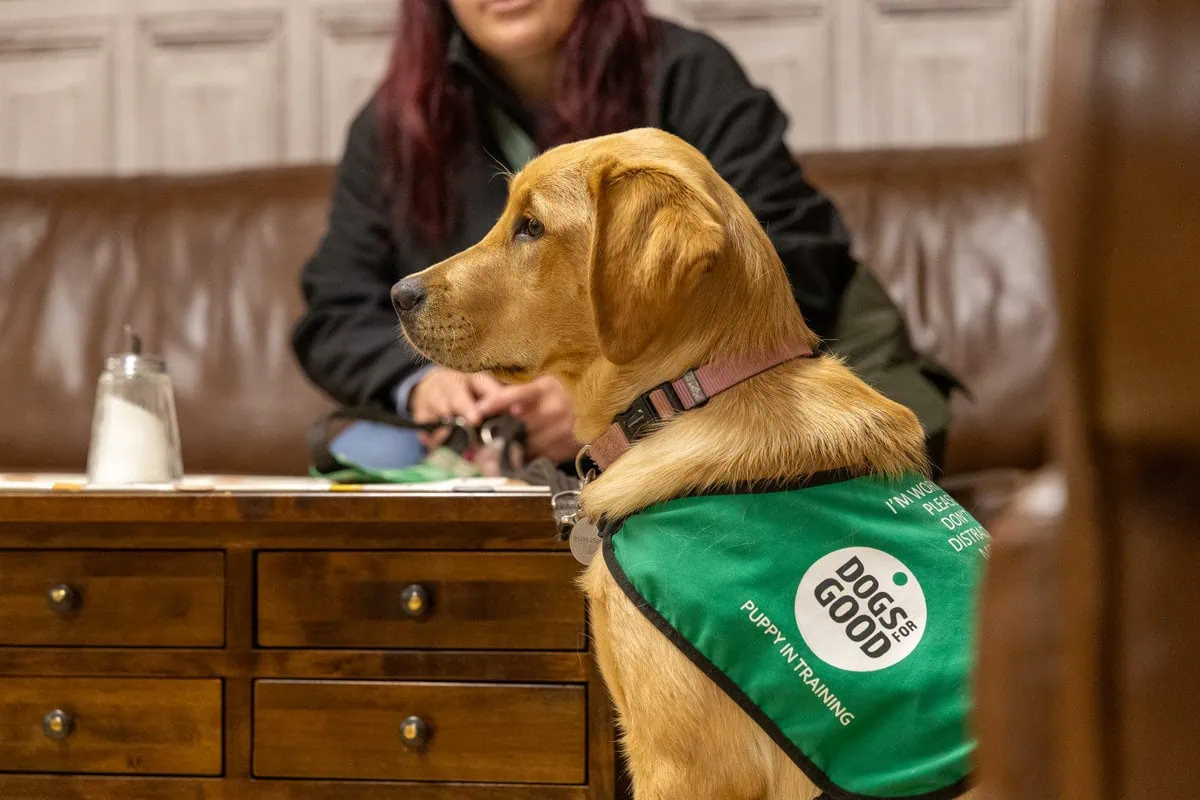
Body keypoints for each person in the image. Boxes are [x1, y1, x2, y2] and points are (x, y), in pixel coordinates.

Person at [293, 0, 956, 473]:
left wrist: (593, 391)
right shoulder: (390, 126)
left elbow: (790, 255)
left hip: (771, 393)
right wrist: (426, 386)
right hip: (517, 436)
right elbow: (335, 309)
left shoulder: (690, 70)